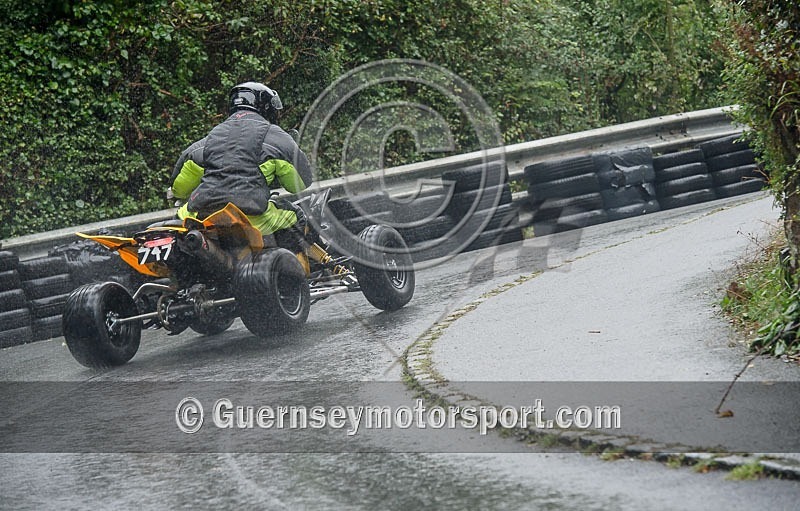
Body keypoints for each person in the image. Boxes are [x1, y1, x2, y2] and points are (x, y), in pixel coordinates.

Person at [168, 81, 313, 241]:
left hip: (201, 219)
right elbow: (300, 183)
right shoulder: (275, 137)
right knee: (296, 216)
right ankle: (296, 265)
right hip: (251, 218)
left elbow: (179, 190)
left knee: (180, 220)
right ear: (267, 108)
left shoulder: (210, 139)